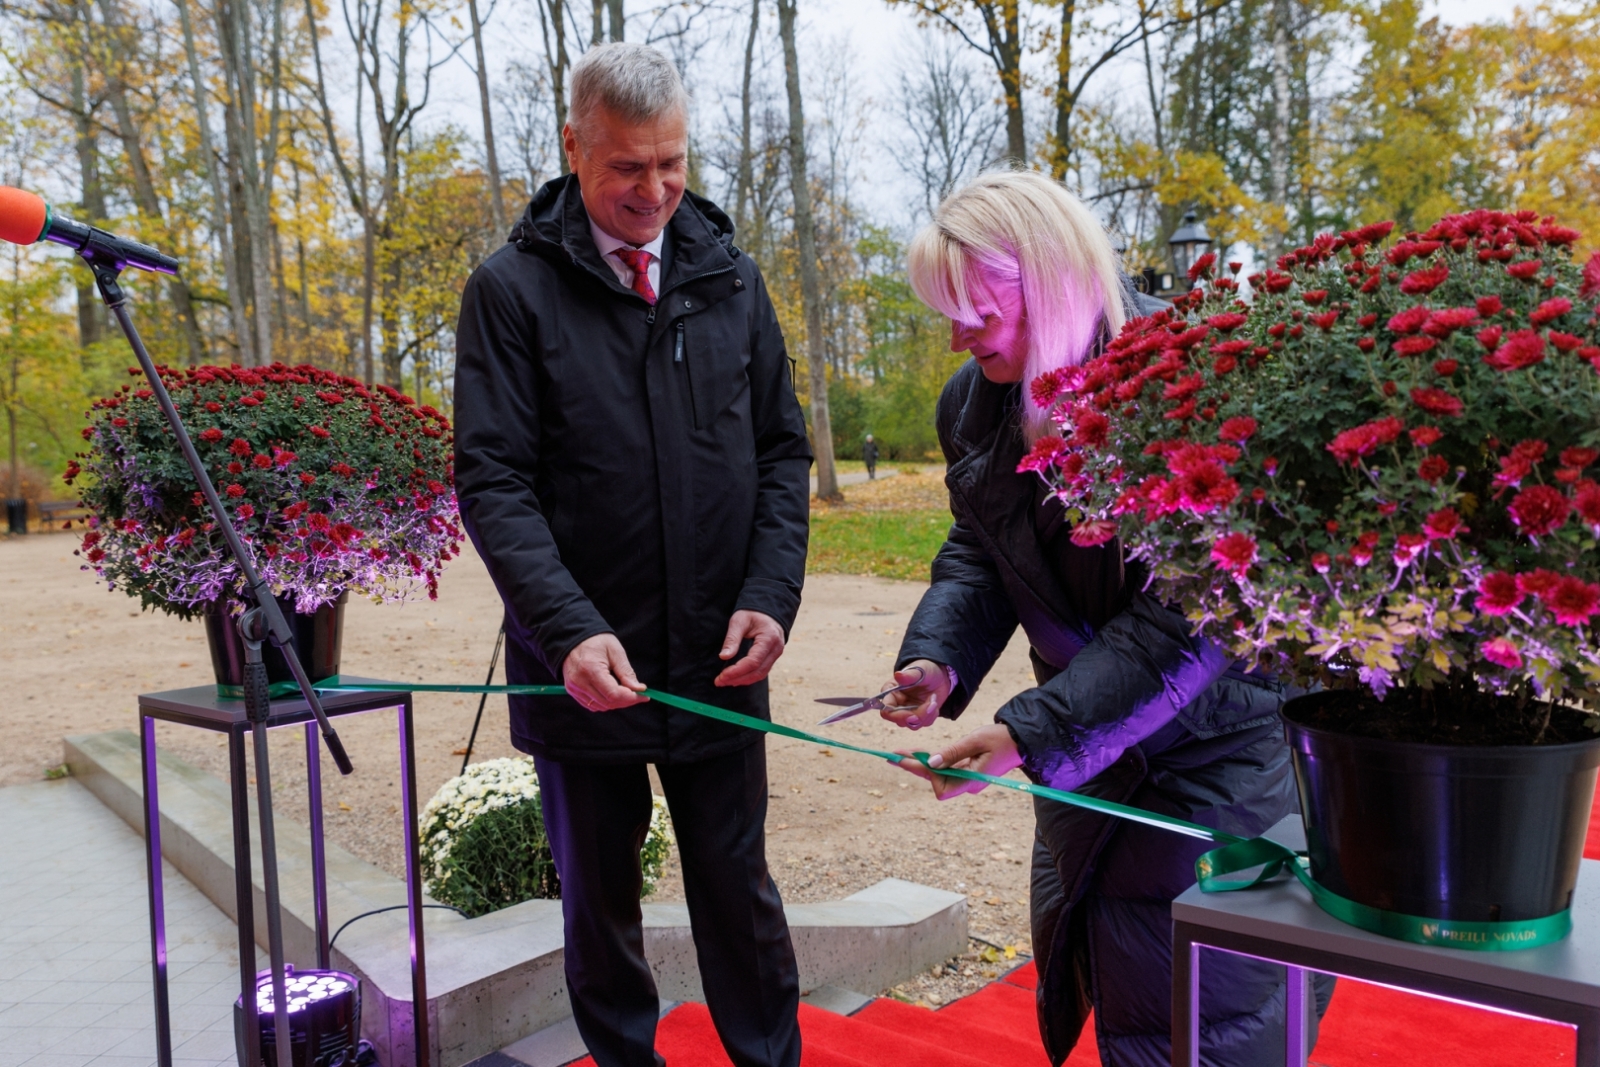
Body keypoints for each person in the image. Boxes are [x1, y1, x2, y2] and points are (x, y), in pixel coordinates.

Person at [881, 171, 1332, 1067]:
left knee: (1213, 1025)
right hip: (1088, 760)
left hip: (1214, 766)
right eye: (949, 312)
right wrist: (937, 658)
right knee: (1126, 1010)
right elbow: (983, 549)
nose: (958, 335)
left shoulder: (1194, 378)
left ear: (1048, 281)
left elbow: (1190, 620)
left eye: (978, 310)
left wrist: (1029, 735)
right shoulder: (976, 401)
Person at [452, 42, 811, 1067]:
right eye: (626, 168)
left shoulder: (731, 280)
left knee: (739, 893)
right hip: (582, 668)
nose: (653, 190)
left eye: (671, 163)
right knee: (599, 908)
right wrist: (565, 629)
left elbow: (783, 452)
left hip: (718, 658)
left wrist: (769, 593)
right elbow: (494, 482)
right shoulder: (510, 293)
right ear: (573, 145)